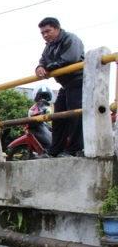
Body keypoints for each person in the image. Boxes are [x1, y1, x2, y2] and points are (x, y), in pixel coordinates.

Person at [35, 17, 85, 158]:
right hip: (65, 84)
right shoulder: (48, 47)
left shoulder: (70, 39)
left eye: (48, 31)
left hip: (78, 81)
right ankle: (54, 151)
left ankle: (74, 150)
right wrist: (39, 67)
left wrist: (47, 69)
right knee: (57, 117)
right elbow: (42, 61)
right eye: (42, 33)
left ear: (57, 29)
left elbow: (70, 59)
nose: (45, 35)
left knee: (75, 115)